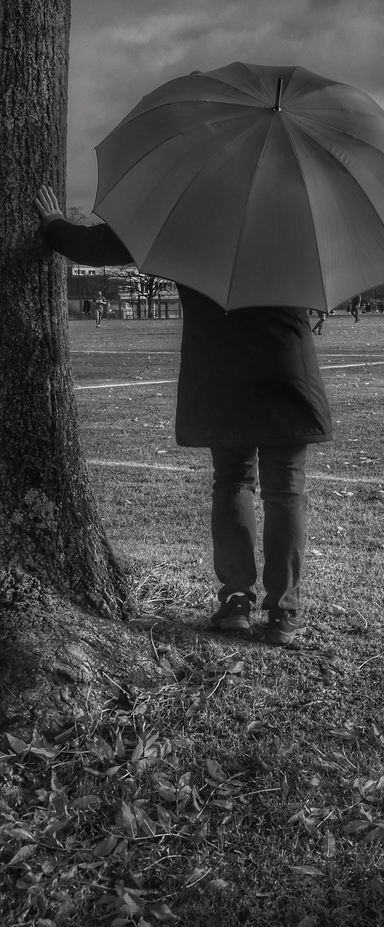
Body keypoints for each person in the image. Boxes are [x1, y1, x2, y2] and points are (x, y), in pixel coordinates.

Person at [35, 184, 332, 645]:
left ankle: (235, 601)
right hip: (283, 358)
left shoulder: (187, 212)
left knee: (233, 481)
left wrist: (55, 227)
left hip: (220, 364)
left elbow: (103, 247)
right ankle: (283, 613)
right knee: (285, 487)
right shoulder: (292, 207)